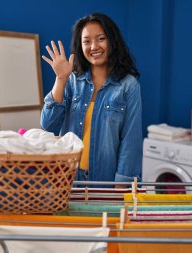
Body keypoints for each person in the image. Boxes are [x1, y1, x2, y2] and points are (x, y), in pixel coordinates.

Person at [40, 13, 142, 186]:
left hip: (105, 182)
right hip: (65, 181)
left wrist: (121, 186)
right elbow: (48, 126)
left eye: (101, 39)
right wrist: (61, 79)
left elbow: (130, 141)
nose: (94, 46)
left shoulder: (128, 85)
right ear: (80, 46)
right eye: (86, 41)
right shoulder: (71, 80)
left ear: (112, 41)